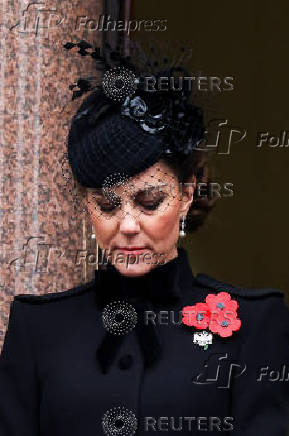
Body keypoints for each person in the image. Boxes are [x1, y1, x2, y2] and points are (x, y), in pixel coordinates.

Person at [0, 41, 288, 436]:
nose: (128, 224)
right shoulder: (38, 329)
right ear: (87, 206)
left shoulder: (255, 324)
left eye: (149, 202)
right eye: (107, 205)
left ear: (186, 194)